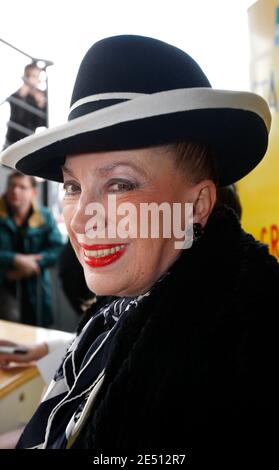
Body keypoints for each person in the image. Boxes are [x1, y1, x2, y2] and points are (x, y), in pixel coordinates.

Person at [0, 35, 278, 461]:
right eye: (73, 186)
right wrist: (54, 349)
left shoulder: (243, 346)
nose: (80, 218)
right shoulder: (135, 297)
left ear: (197, 205)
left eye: (120, 184)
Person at [0, 170, 63, 326]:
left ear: (33, 192)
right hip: (4, 285)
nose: (15, 191)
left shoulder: (44, 216)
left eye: (22, 187)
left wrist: (33, 265)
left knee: (40, 331)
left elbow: (57, 249)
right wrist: (15, 259)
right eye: (12, 186)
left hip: (37, 287)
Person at [3, 62, 47, 149]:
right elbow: (18, 118)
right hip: (11, 142)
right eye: (35, 76)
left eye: (38, 77)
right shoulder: (16, 96)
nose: (38, 80)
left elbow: (41, 123)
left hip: (27, 143)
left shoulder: (38, 98)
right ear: (27, 77)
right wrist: (21, 96)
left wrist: (41, 106)